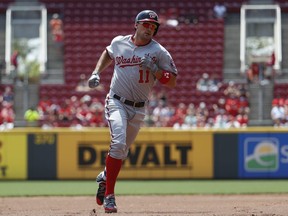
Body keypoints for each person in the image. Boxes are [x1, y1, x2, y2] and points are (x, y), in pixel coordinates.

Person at [87, 10, 178, 213]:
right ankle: (110, 196)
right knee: (118, 144)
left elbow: (172, 81)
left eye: (154, 26)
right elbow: (108, 53)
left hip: (138, 108)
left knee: (122, 152)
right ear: (136, 25)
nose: (150, 28)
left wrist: (155, 69)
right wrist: (96, 72)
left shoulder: (159, 51)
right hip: (116, 101)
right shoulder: (119, 42)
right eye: (146, 24)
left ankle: (104, 177)